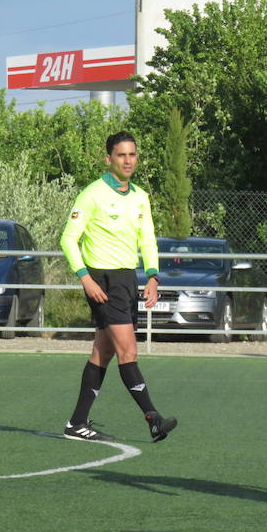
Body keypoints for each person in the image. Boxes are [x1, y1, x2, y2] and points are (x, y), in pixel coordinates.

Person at [58, 131, 178, 442]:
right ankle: (153, 418)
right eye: (121, 155)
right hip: (101, 280)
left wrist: (152, 276)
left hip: (127, 279)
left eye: (132, 155)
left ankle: (76, 423)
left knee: (104, 351)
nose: (127, 160)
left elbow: (147, 240)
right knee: (128, 349)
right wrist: (85, 278)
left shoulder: (140, 197)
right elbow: (68, 239)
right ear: (108, 158)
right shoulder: (92, 194)